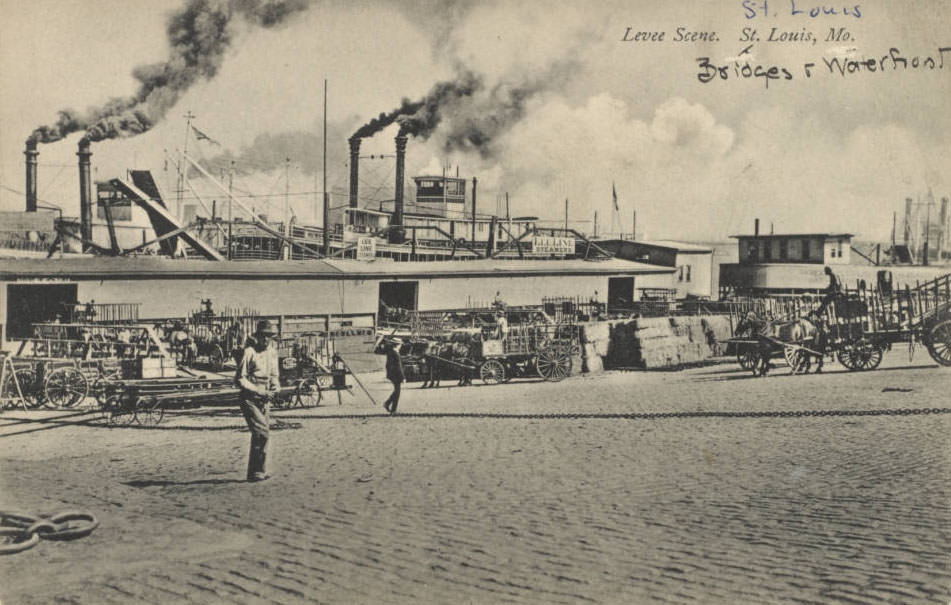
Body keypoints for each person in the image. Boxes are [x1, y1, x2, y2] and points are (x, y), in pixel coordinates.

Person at [236, 319, 280, 482]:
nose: (266, 339)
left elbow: (274, 375)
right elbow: (240, 379)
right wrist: (258, 390)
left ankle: (256, 472)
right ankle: (256, 471)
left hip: (265, 398)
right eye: (263, 336)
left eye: (269, 336)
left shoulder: (272, 352)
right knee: (262, 433)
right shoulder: (249, 352)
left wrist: (275, 387)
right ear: (257, 336)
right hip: (250, 398)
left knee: (260, 435)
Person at [382, 338, 405, 415]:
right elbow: (399, 366)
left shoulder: (391, 352)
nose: (401, 346)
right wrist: (402, 377)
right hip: (396, 375)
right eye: (400, 344)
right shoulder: (395, 353)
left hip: (392, 375)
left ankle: (388, 404)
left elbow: (388, 365)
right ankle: (392, 409)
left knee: (397, 391)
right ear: (398, 345)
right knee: (397, 392)